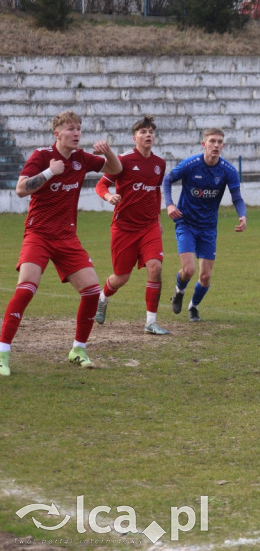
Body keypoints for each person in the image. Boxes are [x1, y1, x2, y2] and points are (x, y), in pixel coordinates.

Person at [0, 110, 122, 376]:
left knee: (91, 291)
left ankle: (78, 349)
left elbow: (116, 170)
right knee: (26, 289)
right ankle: (3, 353)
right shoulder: (42, 156)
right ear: (57, 134)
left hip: (66, 237)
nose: (76, 133)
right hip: (39, 234)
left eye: (78, 128)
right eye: (70, 129)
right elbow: (21, 189)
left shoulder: (81, 158)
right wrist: (49, 172)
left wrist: (108, 152)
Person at [93, 115, 170, 335]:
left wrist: (157, 219)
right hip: (124, 228)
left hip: (149, 226)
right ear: (134, 137)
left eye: (151, 132)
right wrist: (109, 197)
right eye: (143, 132)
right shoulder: (123, 160)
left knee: (155, 268)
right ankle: (103, 298)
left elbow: (155, 192)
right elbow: (101, 185)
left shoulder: (159, 164)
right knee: (121, 277)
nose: (148, 135)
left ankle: (150, 322)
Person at [162, 127, 246, 323]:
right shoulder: (191, 165)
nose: (216, 145)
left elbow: (237, 198)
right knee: (189, 270)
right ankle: (179, 290)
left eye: (219, 142)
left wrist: (243, 216)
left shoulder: (228, 171)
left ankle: (194, 306)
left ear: (223, 146)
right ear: (204, 144)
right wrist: (169, 204)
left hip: (208, 227)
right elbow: (167, 180)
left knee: (205, 276)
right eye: (212, 141)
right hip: (186, 223)